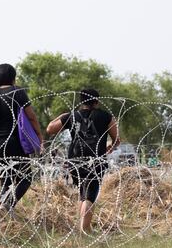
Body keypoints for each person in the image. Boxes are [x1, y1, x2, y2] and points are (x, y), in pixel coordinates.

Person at [47, 88, 119, 234]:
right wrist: (110, 147)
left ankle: (81, 228)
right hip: (96, 160)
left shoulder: (72, 116)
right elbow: (117, 139)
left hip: (75, 160)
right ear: (97, 101)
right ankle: (84, 229)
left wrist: (64, 115)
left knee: (82, 192)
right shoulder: (106, 116)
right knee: (90, 194)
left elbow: (50, 129)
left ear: (81, 101)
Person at [0, 63, 43, 216]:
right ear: (13, 78)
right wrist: (39, 136)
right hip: (13, 143)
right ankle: (9, 203)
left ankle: (3, 212)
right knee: (26, 178)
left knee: (4, 179)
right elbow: (31, 117)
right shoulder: (17, 92)